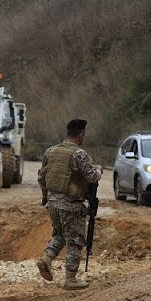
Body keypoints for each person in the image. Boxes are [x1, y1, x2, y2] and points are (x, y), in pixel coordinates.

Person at [36, 119, 103, 290]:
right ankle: (70, 278)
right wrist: (99, 170)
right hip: (70, 204)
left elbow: (41, 176)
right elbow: (92, 177)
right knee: (75, 240)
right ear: (81, 134)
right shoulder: (78, 154)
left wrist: (45, 196)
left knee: (60, 234)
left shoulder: (50, 151)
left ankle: (47, 258)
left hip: (52, 203)